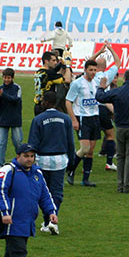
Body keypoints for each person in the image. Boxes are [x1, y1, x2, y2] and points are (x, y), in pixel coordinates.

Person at [0, 143, 57, 257]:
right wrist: (5, 213)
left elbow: (44, 195)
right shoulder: (8, 170)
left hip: (27, 223)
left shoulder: (37, 173)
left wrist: (51, 212)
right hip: (12, 223)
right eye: (26, 156)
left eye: (32, 156)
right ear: (18, 156)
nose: (29, 159)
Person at [64, 44, 119, 187]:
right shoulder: (77, 84)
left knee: (90, 151)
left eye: (95, 70)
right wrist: (74, 120)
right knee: (84, 148)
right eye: (91, 70)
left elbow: (118, 64)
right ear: (85, 70)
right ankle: (70, 169)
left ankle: (85, 179)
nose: (93, 72)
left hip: (95, 117)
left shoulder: (98, 81)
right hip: (82, 118)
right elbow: (68, 102)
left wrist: (109, 50)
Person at [27, 91, 73, 235]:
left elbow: (32, 143)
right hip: (60, 160)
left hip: (43, 160)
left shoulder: (38, 119)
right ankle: (52, 221)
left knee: (42, 192)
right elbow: (70, 142)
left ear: (46, 102)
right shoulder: (65, 119)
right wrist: (72, 162)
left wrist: (29, 161)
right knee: (57, 193)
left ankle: (47, 220)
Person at [0, 68, 23, 169]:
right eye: (5, 77)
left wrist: (3, 95)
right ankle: (0, 163)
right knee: (1, 143)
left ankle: (21, 162)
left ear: (12, 78)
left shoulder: (17, 88)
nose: (6, 80)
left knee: (17, 142)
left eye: (8, 78)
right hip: (3, 119)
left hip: (15, 119)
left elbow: (15, 100)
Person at [33, 51, 66, 116]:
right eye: (53, 60)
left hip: (38, 104)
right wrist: (67, 65)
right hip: (46, 105)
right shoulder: (49, 74)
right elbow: (67, 79)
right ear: (46, 61)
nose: (55, 63)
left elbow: (53, 71)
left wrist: (61, 64)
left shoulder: (39, 72)